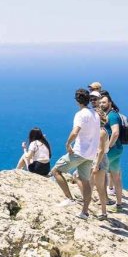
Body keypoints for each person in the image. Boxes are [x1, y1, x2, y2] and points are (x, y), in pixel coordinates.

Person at [51, 87, 102, 218]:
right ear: (88, 100)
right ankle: (84, 212)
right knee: (85, 181)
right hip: (90, 154)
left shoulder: (80, 114)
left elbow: (75, 132)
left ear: (77, 101)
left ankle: (69, 198)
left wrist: (68, 144)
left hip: (79, 152)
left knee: (56, 171)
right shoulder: (95, 114)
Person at [99, 93, 126, 209]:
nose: (101, 104)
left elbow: (115, 132)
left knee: (101, 172)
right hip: (118, 149)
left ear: (110, 103)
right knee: (116, 177)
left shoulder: (112, 116)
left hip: (111, 150)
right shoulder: (109, 114)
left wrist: (107, 147)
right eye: (100, 102)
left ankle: (104, 199)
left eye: (104, 102)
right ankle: (119, 203)